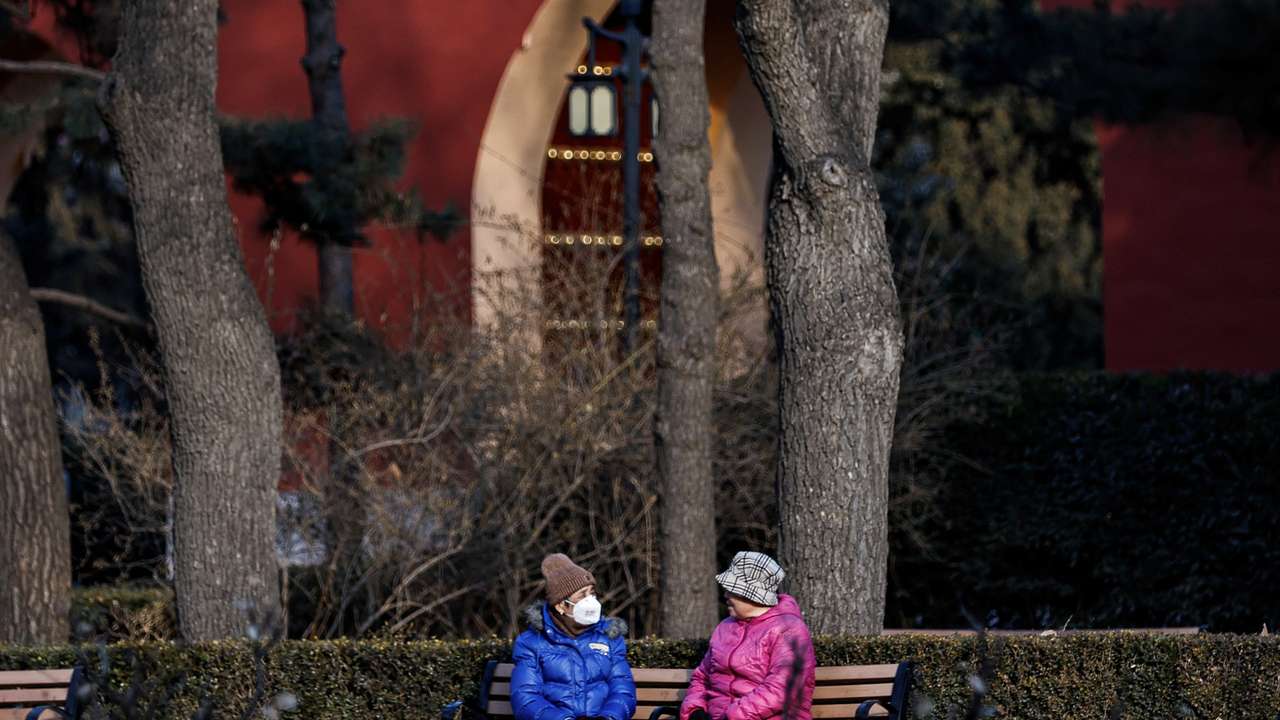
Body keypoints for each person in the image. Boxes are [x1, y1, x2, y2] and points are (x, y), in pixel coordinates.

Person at [678, 552, 816, 720]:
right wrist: (695, 710)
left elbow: (780, 689)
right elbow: (703, 676)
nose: (726, 595)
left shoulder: (789, 630)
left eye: (732, 590)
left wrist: (732, 716)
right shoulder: (725, 627)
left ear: (751, 594)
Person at [511, 553, 637, 720]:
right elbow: (525, 698)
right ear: (561, 605)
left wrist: (609, 717)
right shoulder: (531, 643)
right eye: (582, 595)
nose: (590, 600)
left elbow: (623, 691)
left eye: (592, 593)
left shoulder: (609, 637)